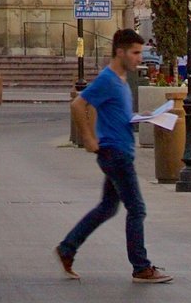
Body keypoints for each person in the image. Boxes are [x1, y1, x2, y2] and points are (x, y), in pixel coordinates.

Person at [54, 28, 172, 285]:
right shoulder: (108, 79)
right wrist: (88, 138)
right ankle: (141, 267)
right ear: (120, 52)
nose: (140, 58)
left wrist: (142, 116)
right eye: (135, 53)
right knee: (137, 209)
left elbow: (105, 110)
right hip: (115, 152)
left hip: (119, 150)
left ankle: (68, 247)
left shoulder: (120, 81)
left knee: (108, 207)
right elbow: (79, 104)